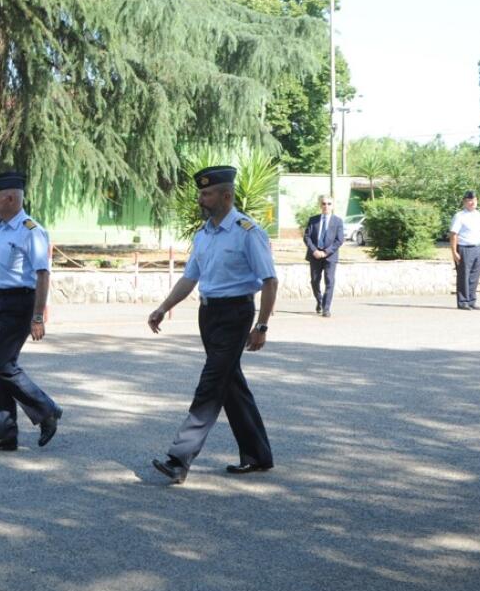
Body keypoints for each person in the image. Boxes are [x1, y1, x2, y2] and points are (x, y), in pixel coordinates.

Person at [147, 165, 278, 484]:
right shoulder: (203, 235)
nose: (200, 199)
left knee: (211, 384)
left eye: (206, 194)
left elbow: (270, 280)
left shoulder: (247, 231)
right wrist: (163, 308)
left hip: (236, 314)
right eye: (201, 193)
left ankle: (179, 458)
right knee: (229, 383)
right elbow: (189, 278)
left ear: (226, 196)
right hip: (208, 314)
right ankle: (258, 455)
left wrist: (261, 326)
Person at [0, 171, 62, 452]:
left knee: (5, 367)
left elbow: (43, 275)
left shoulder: (31, 230)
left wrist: (38, 316)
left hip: (20, 303)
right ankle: (4, 433)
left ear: (10, 198)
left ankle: (47, 409)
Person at [303, 195, 344, 317]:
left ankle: (326, 308)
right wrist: (314, 250)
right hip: (315, 255)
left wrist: (326, 252)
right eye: (324, 203)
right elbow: (307, 237)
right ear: (320, 205)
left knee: (329, 281)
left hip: (330, 256)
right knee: (314, 281)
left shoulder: (338, 221)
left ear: (333, 206)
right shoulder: (313, 220)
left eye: (329, 204)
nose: (326, 206)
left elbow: (339, 240)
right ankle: (320, 301)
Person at [450, 190, 480, 310]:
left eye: (474, 200)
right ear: (465, 202)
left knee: (474, 276)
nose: (472, 202)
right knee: (463, 276)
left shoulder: (479, 215)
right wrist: (454, 252)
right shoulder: (460, 216)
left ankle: (471, 300)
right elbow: (453, 234)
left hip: (477, 247)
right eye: (469, 200)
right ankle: (463, 301)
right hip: (464, 248)